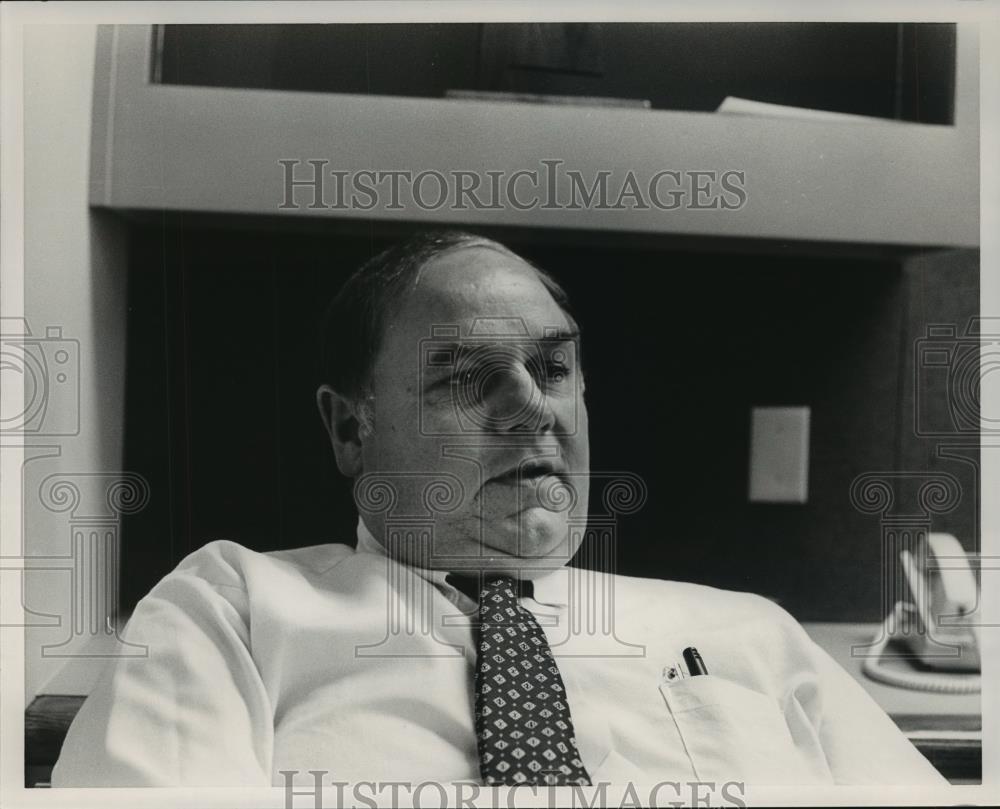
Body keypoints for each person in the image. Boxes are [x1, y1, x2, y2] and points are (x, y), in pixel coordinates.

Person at [52, 230, 946, 789]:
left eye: (553, 369)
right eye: (468, 378)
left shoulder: (750, 630)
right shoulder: (230, 613)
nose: (534, 408)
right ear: (351, 429)